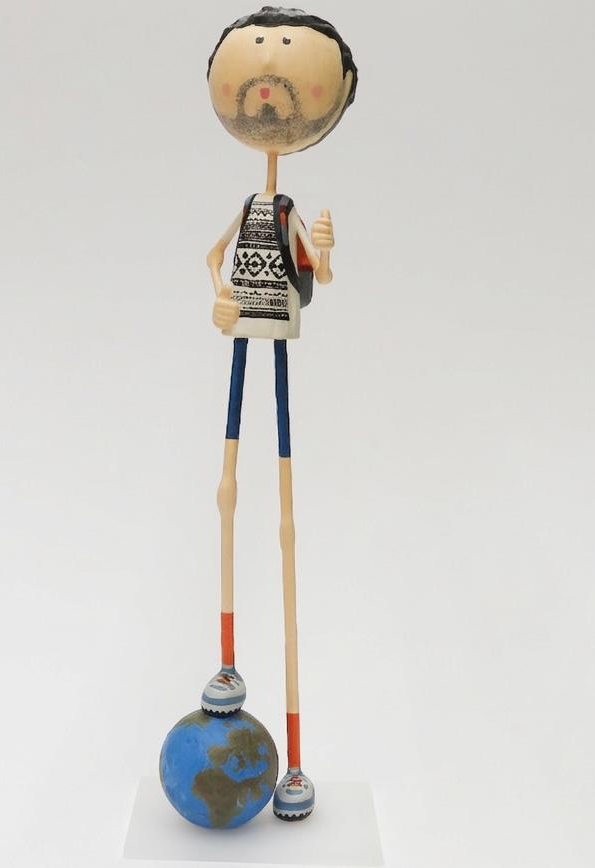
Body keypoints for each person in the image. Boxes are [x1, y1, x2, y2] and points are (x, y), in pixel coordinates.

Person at [200, 6, 357, 821]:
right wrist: (219, 299)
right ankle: (227, 660)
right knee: (229, 473)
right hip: (244, 324)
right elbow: (210, 256)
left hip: (280, 323)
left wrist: (322, 252)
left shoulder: (288, 208)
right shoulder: (250, 204)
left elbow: (317, 278)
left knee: (283, 487)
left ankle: (294, 759)